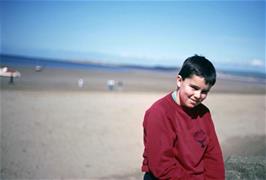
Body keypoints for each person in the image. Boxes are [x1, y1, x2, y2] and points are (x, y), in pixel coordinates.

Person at [141, 55, 225, 180]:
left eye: (204, 92)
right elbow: (162, 166)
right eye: (194, 88)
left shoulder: (204, 113)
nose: (198, 95)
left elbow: (213, 156)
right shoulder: (159, 113)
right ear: (179, 81)